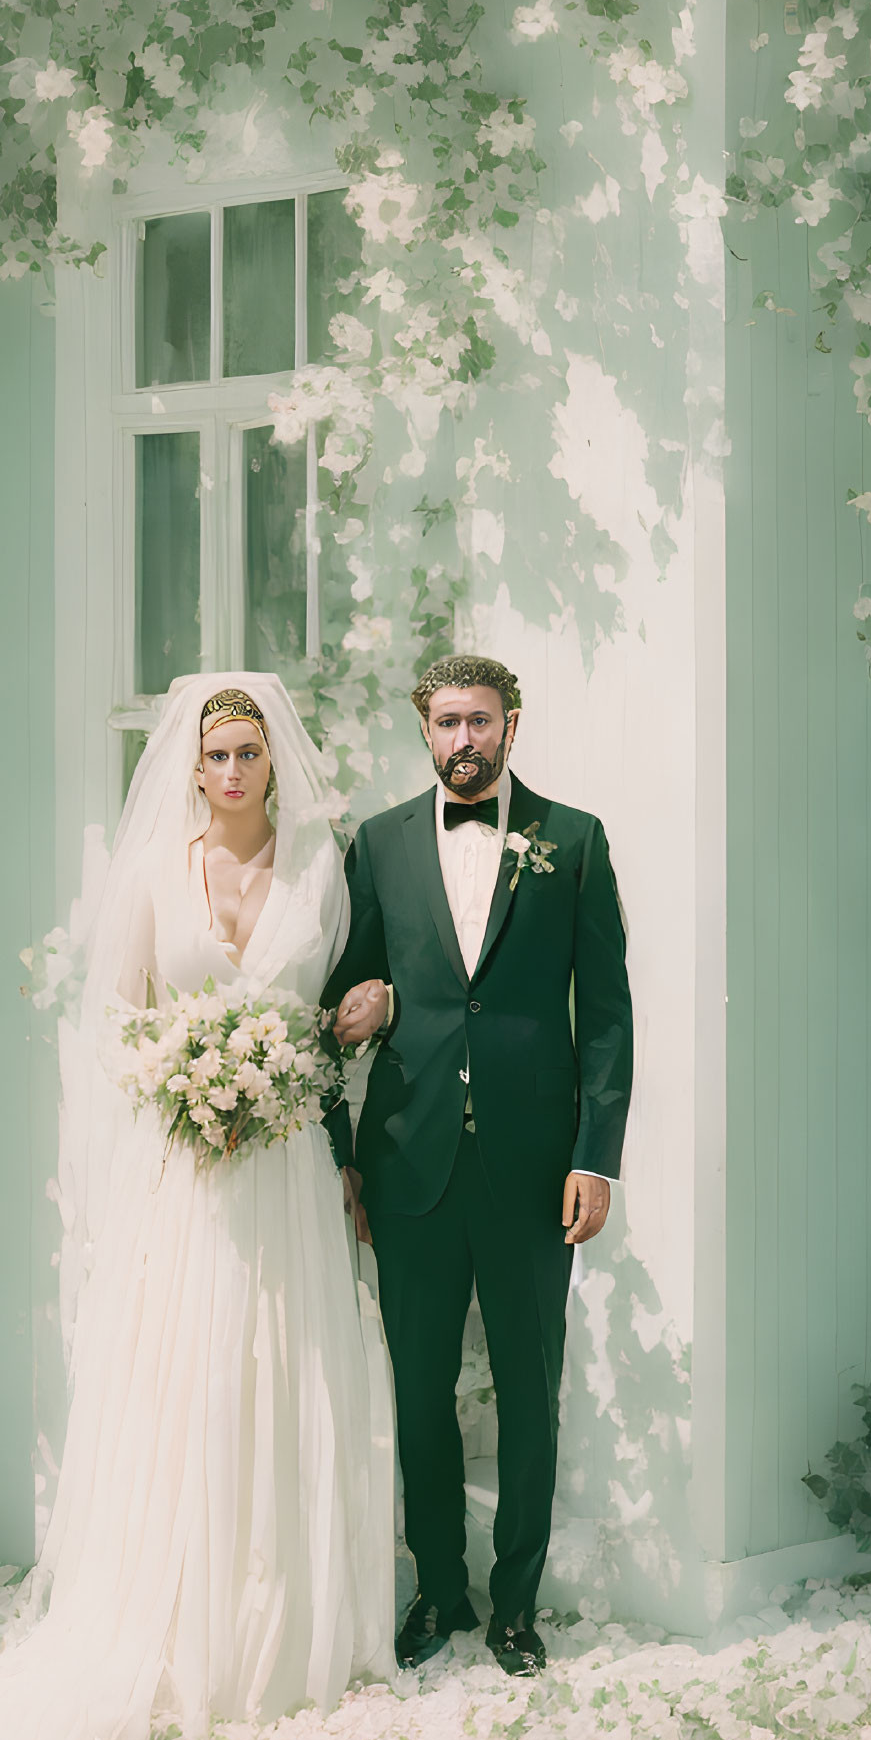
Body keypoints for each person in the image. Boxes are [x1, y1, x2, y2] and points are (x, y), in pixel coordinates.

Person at [0, 674, 396, 1740]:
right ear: (190, 765)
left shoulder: (324, 869)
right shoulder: (156, 872)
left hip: (295, 1167)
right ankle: (183, 1622)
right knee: (193, 1382)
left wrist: (357, 1018)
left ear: (275, 759)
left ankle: (284, 1626)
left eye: (249, 750)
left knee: (290, 1370)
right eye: (214, 753)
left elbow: (350, 1000)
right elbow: (115, 1022)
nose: (231, 771)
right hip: (198, 1173)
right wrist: (185, 1087)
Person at [324, 654, 632, 1680]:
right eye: (448, 722)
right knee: (420, 1393)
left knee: (531, 1391)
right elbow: (343, 1002)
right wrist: (343, 1155)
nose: (466, 738)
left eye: (482, 721)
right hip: (408, 1166)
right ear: (425, 731)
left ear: (512, 725)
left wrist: (597, 1159)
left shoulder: (573, 841)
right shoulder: (376, 844)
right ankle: (440, 1590)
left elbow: (609, 1018)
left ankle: (515, 1608)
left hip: (536, 1168)